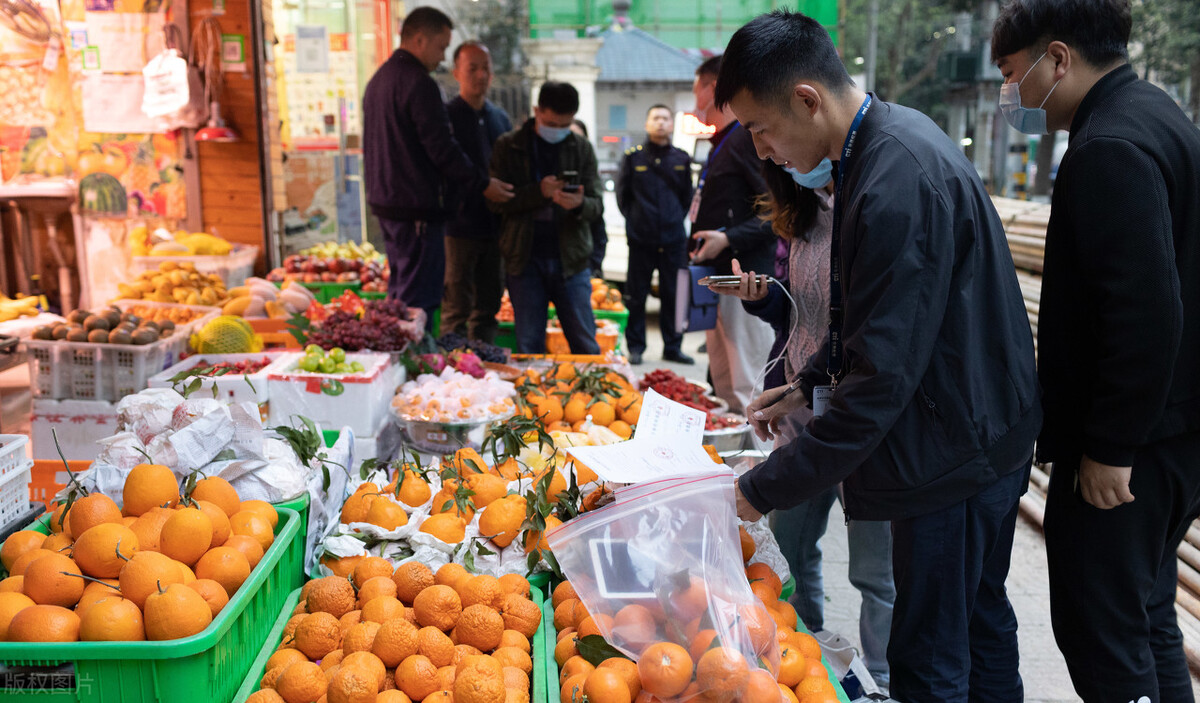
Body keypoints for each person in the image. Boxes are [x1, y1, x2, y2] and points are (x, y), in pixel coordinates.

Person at [716, 11, 1042, 702]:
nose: (765, 152)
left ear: (807, 98)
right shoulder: (880, 150)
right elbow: (871, 317)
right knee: (978, 629)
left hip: (950, 455)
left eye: (763, 130)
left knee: (931, 657)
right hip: (970, 434)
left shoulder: (896, 180)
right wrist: (808, 381)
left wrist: (757, 489)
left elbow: (881, 380)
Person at [991, 2, 1200, 700]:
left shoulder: (1109, 146)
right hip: (1175, 432)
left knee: (1103, 631)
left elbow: (1145, 310)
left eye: (1012, 73)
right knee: (1145, 615)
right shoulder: (1156, 113)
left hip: (1135, 446)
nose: (1010, 92)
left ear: (1058, 59)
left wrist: (1111, 446)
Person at [709, 160, 894, 689]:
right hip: (801, 415)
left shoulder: (871, 217)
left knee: (874, 571)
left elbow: (870, 336)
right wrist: (766, 297)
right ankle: (803, 648)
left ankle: (879, 678)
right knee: (790, 548)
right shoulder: (801, 223)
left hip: (858, 421)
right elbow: (803, 318)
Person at [363, 7, 513, 326]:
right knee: (419, 303)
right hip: (415, 206)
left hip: (389, 202)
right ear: (419, 39)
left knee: (401, 297)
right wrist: (481, 182)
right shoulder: (419, 84)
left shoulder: (379, 79)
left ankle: (403, 366)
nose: (441, 56)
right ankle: (418, 367)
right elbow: (440, 147)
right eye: (442, 46)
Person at [689, 56, 778, 413]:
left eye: (696, 86)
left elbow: (775, 213)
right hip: (719, 278)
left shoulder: (744, 140)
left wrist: (728, 238)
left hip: (746, 278)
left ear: (712, 88)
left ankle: (761, 461)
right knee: (724, 383)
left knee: (748, 383)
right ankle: (730, 461)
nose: (695, 96)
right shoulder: (721, 143)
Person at [488, 82, 603, 354]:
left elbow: (597, 205)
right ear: (536, 111)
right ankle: (537, 397)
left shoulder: (581, 148)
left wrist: (579, 205)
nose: (557, 130)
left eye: (565, 124)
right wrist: (537, 193)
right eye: (551, 122)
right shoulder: (509, 146)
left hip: (571, 261)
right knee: (529, 347)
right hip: (524, 260)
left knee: (586, 345)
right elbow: (495, 203)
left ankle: (593, 396)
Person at [441, 41, 512, 343]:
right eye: (473, 68)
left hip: (495, 228)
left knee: (488, 307)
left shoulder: (500, 119)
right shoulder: (446, 118)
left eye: (486, 68)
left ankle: (483, 369)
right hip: (458, 227)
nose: (481, 75)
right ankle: (449, 375)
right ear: (456, 72)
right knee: (456, 306)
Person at [617, 105, 695, 366]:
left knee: (675, 294)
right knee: (636, 295)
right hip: (641, 238)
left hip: (673, 239)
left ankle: (673, 347)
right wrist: (637, 221)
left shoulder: (681, 158)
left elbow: (687, 198)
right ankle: (636, 347)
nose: (660, 122)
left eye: (665, 118)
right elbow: (623, 197)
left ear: (671, 124)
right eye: (655, 118)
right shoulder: (633, 157)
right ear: (647, 123)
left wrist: (673, 219)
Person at [570, 119, 608, 278]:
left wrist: (594, 263)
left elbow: (599, 229)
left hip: (585, 263)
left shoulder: (589, 177)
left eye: (579, 139)